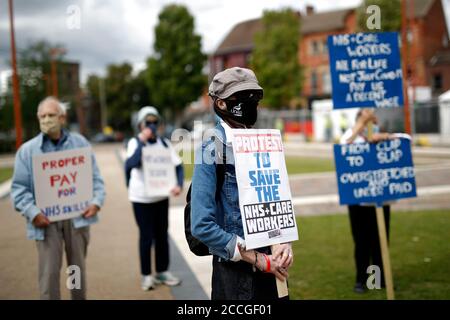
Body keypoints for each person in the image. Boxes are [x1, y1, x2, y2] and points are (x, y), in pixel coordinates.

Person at [191, 67, 294, 300]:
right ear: (221, 103)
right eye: (243, 96)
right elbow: (201, 225)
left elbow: (276, 202)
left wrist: (283, 243)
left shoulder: (264, 142)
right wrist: (257, 259)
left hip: (274, 269)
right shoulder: (211, 149)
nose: (251, 102)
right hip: (237, 279)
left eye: (255, 96)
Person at [10, 96, 106, 300]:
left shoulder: (80, 143)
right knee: (49, 275)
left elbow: (95, 178)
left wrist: (96, 203)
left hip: (77, 218)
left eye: (51, 115)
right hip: (45, 222)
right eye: (42, 116)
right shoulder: (27, 152)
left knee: (76, 271)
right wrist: (33, 213)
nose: (46, 120)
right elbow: (19, 189)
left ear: (62, 118)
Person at [125, 106, 184, 291]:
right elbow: (131, 163)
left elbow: (178, 166)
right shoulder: (134, 143)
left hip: (160, 197)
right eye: (147, 123)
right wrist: (142, 141)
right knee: (146, 237)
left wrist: (179, 185)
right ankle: (146, 275)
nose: (151, 126)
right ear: (140, 125)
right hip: (142, 199)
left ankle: (162, 271)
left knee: (161, 236)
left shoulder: (164, 143)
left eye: (154, 122)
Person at [341, 109, 393, 294]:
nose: (371, 117)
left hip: (380, 199)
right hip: (358, 201)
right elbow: (344, 144)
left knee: (380, 241)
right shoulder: (351, 135)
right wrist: (361, 124)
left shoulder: (381, 134)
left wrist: (385, 137)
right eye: (366, 115)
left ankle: (377, 279)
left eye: (373, 115)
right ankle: (361, 280)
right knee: (362, 242)